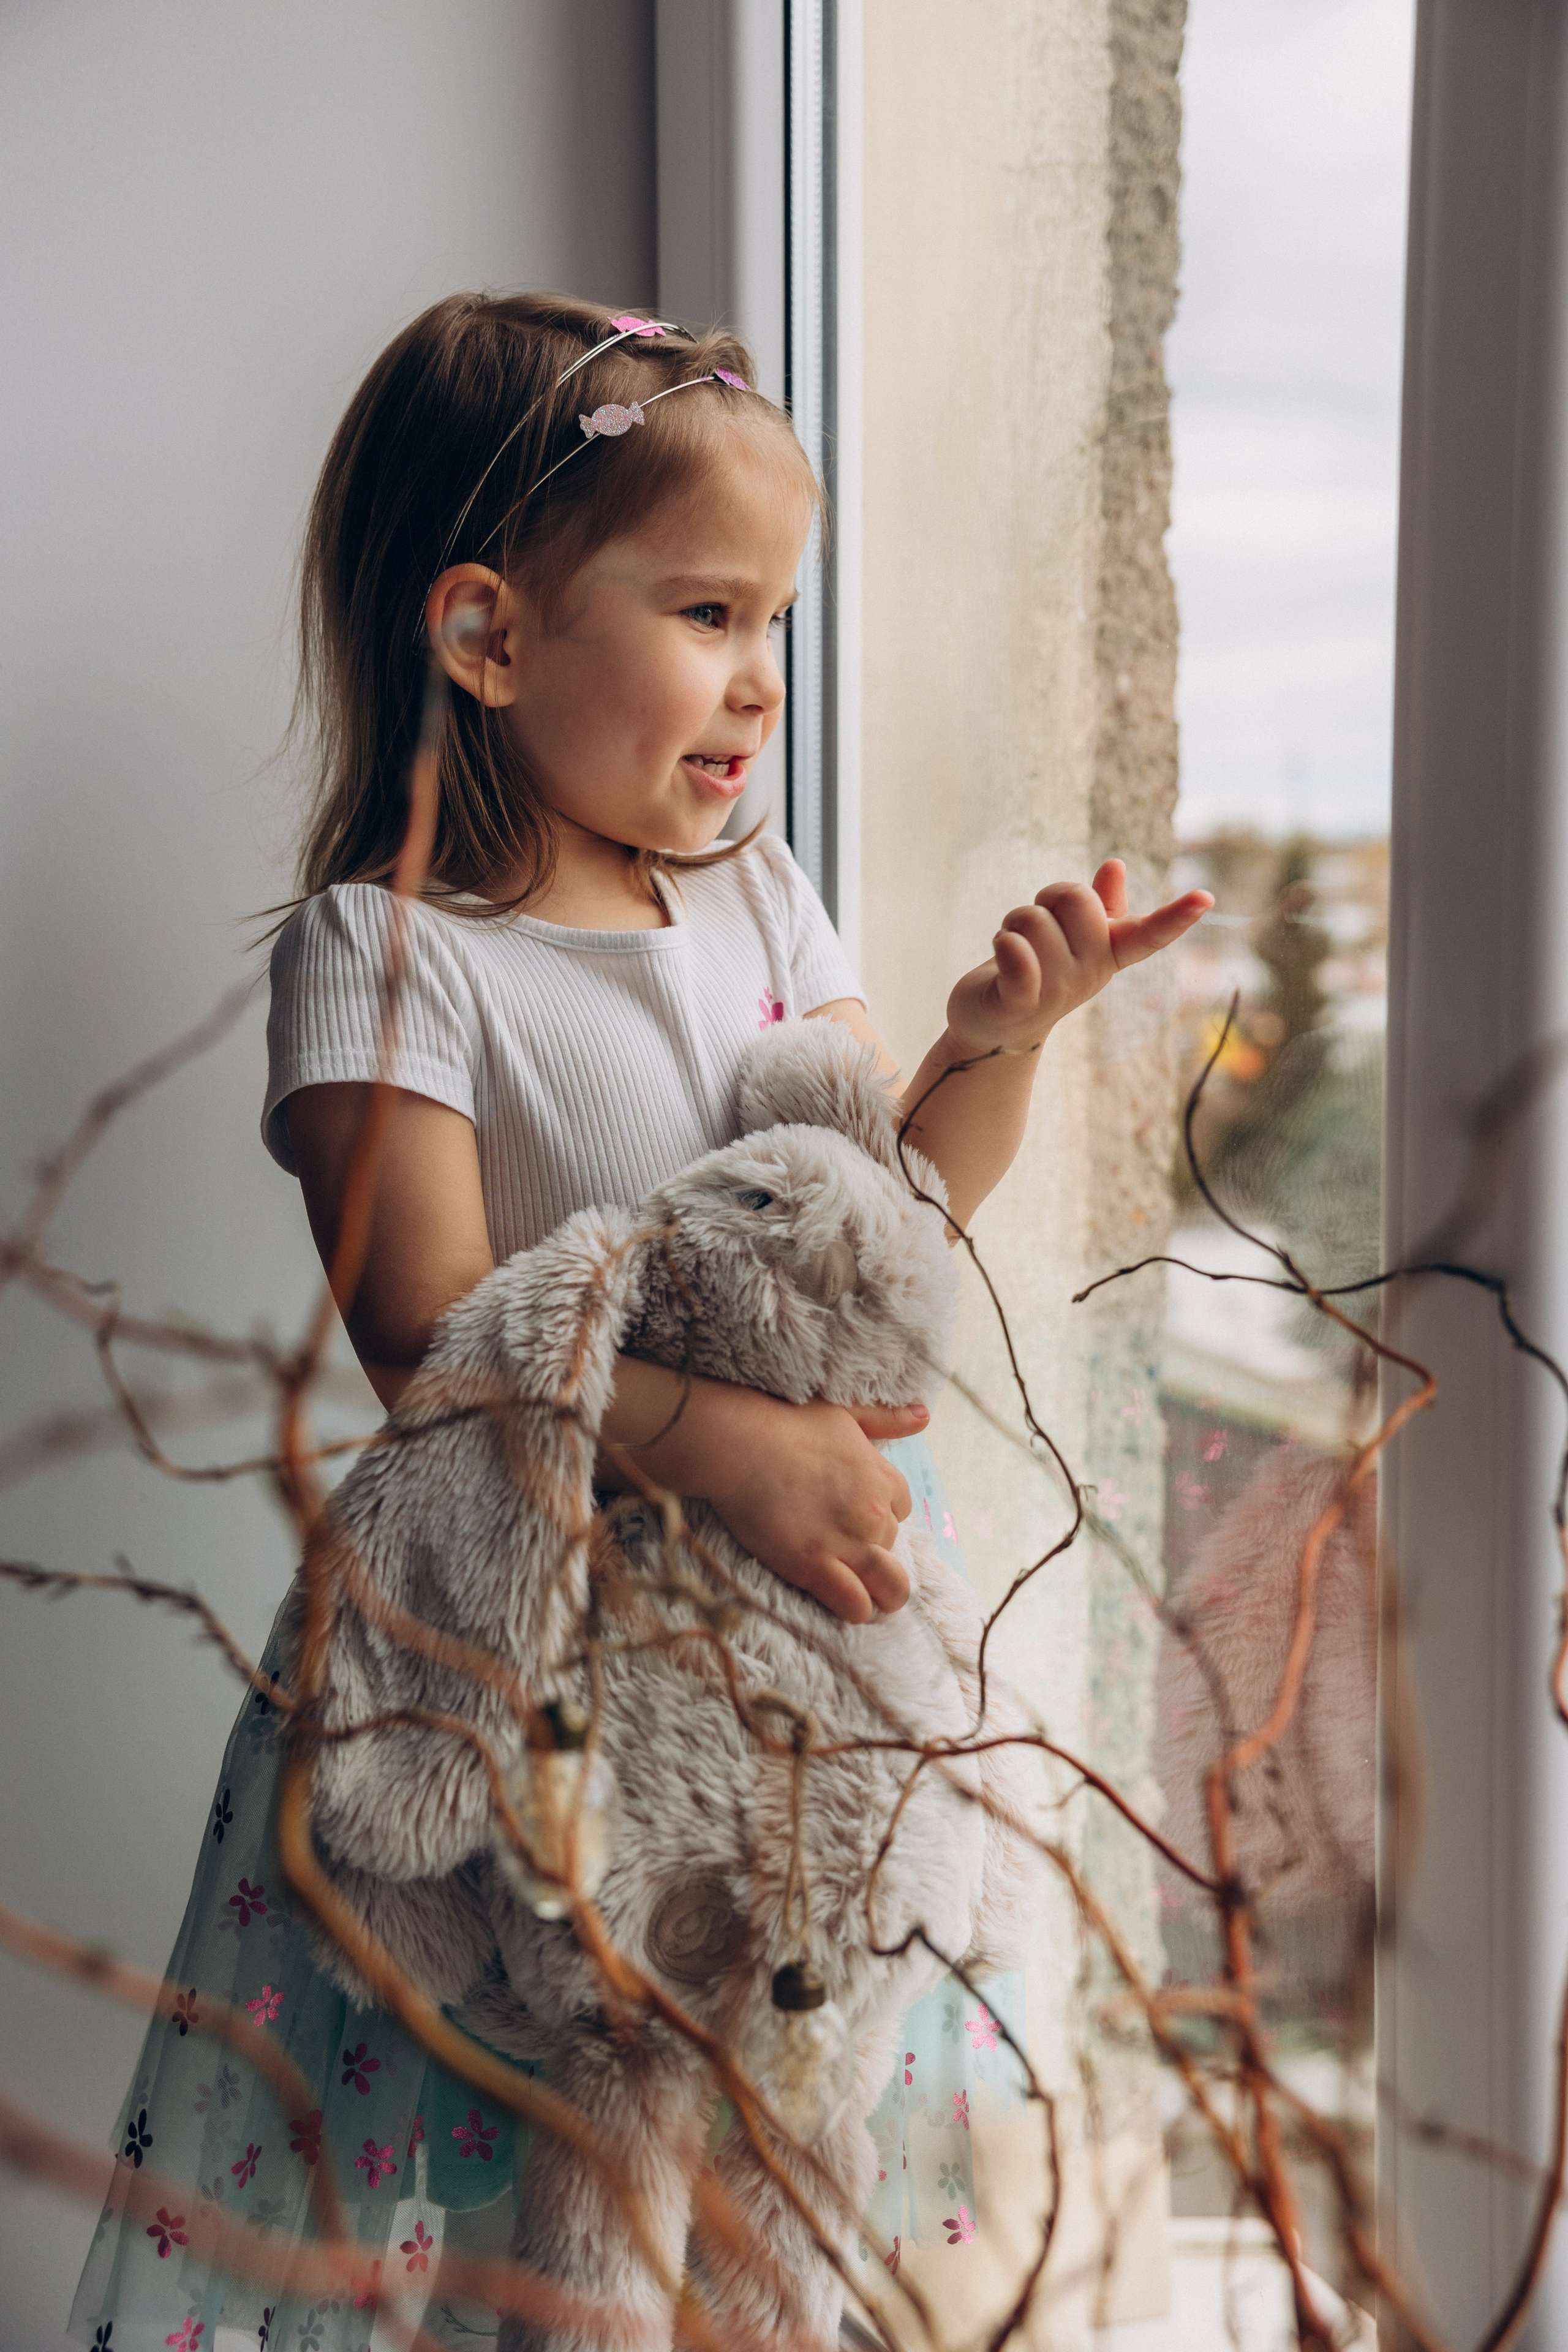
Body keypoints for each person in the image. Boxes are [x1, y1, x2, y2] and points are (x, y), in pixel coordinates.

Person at [72, 291, 1209, 2351]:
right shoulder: (392, 950)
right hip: (539, 1645)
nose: (759, 683)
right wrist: (727, 1443)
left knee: (784, 2154)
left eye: (776, 624)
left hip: (792, 1661)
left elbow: (880, 1234)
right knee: (567, 2178)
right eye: (707, 614)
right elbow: (424, 1337)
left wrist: (997, 1049)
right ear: (488, 635)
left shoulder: (762, 899)